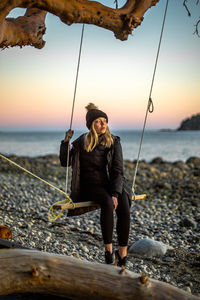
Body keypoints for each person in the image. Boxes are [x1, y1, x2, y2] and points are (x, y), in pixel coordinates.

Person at [59, 103, 130, 267]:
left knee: (124, 207)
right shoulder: (82, 141)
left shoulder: (114, 142)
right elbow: (65, 162)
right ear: (91, 124)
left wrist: (115, 193)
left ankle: (123, 254)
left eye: (105, 120)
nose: (103, 124)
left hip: (112, 184)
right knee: (106, 203)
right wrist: (65, 142)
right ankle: (108, 251)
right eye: (98, 121)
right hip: (91, 185)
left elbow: (118, 170)